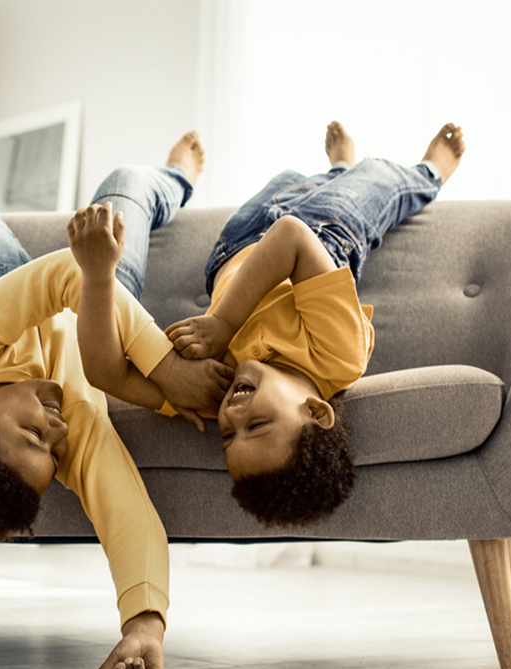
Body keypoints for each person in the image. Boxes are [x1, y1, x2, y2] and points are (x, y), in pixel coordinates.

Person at [0, 124, 233, 669]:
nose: (58, 428)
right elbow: (127, 513)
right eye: (52, 448)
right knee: (124, 189)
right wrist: (145, 627)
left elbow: (62, 272)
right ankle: (171, 175)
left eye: (34, 434)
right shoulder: (69, 429)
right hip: (100, 305)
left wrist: (168, 371)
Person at [163, 121, 466, 526]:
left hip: (233, 246)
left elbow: (131, 371)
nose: (232, 415)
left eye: (228, 437)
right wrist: (221, 323)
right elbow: (290, 236)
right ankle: (429, 173)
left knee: (291, 179)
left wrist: (171, 377)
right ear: (316, 411)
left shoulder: (221, 381)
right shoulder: (336, 355)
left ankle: (338, 167)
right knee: (377, 179)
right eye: (257, 424)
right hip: (326, 229)